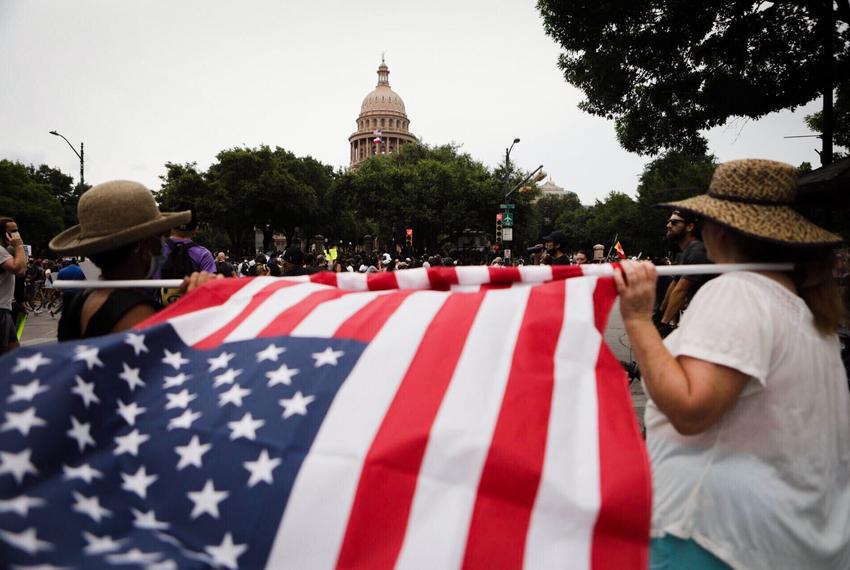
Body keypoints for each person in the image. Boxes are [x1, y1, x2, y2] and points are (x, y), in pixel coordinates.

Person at [614, 159, 850, 569]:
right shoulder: (807, 312)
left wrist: (637, 318)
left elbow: (691, 408)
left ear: (720, 228)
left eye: (703, 223)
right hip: (782, 541)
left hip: (713, 538)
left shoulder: (739, 292)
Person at [50, 180, 218, 341]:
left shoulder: (79, 301)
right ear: (145, 246)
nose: (165, 244)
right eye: (161, 236)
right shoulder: (136, 314)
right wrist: (201, 306)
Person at [656, 210, 711, 335]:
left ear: (689, 227)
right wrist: (660, 312)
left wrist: (663, 324)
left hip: (710, 318)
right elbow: (675, 284)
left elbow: (681, 290)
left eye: (674, 222)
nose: (668, 225)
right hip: (699, 315)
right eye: (669, 221)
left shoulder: (697, 251)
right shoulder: (686, 252)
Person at [0, 217, 28, 354]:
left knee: (13, 352)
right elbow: (18, 268)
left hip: (5, 307)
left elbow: (22, 271)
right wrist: (18, 246)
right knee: (6, 354)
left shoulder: (5, 251)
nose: (17, 235)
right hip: (0, 309)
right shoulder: (0, 251)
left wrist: (18, 248)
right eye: (13, 231)